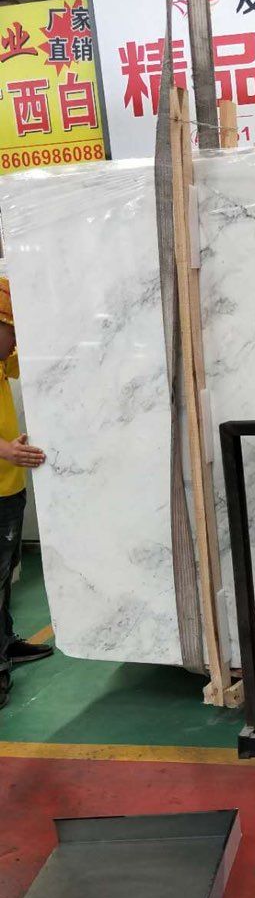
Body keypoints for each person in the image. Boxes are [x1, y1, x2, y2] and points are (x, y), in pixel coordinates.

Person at [0, 278, 51, 710]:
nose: (15, 340)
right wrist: (5, 450)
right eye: (11, 330)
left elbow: (31, 361)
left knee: (4, 577)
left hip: (9, 488)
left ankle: (5, 643)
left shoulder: (2, 360)